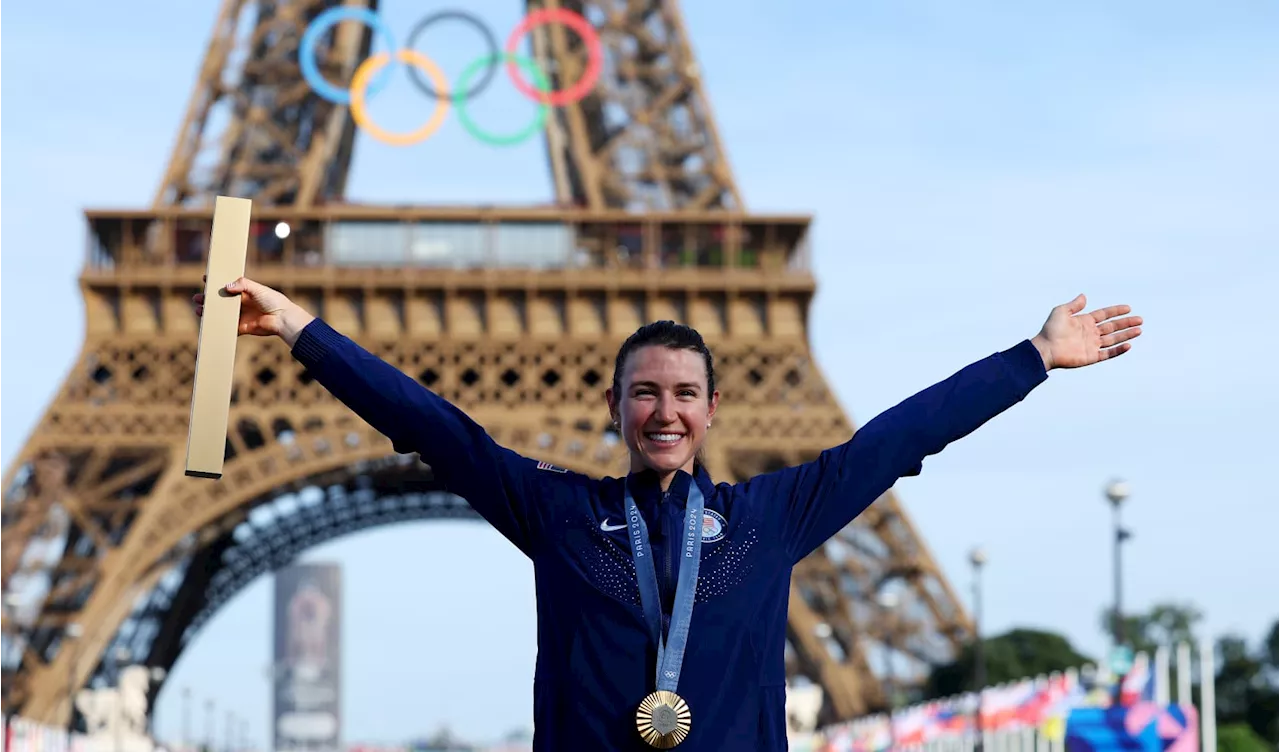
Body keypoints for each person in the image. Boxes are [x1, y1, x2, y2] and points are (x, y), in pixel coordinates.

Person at [194, 278, 1141, 751]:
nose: (664, 411)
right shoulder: (556, 510)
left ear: (712, 412)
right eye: (644, 393)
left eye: (685, 393)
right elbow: (436, 429)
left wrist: (1034, 357)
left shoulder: (770, 516)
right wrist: (299, 331)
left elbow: (896, 441)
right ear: (617, 410)